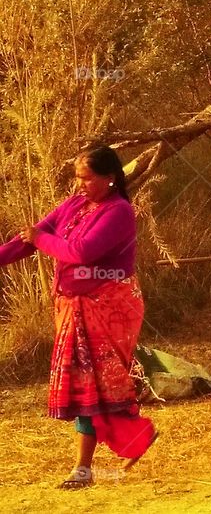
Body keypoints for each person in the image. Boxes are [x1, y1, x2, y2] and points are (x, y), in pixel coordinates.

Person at [0, 146, 156, 489]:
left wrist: (41, 239)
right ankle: (128, 438)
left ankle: (83, 469)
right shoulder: (75, 205)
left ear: (110, 177)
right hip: (76, 305)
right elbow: (28, 239)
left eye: (87, 177)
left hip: (108, 307)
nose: (80, 184)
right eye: (78, 177)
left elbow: (81, 252)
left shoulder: (119, 213)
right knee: (91, 386)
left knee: (91, 383)